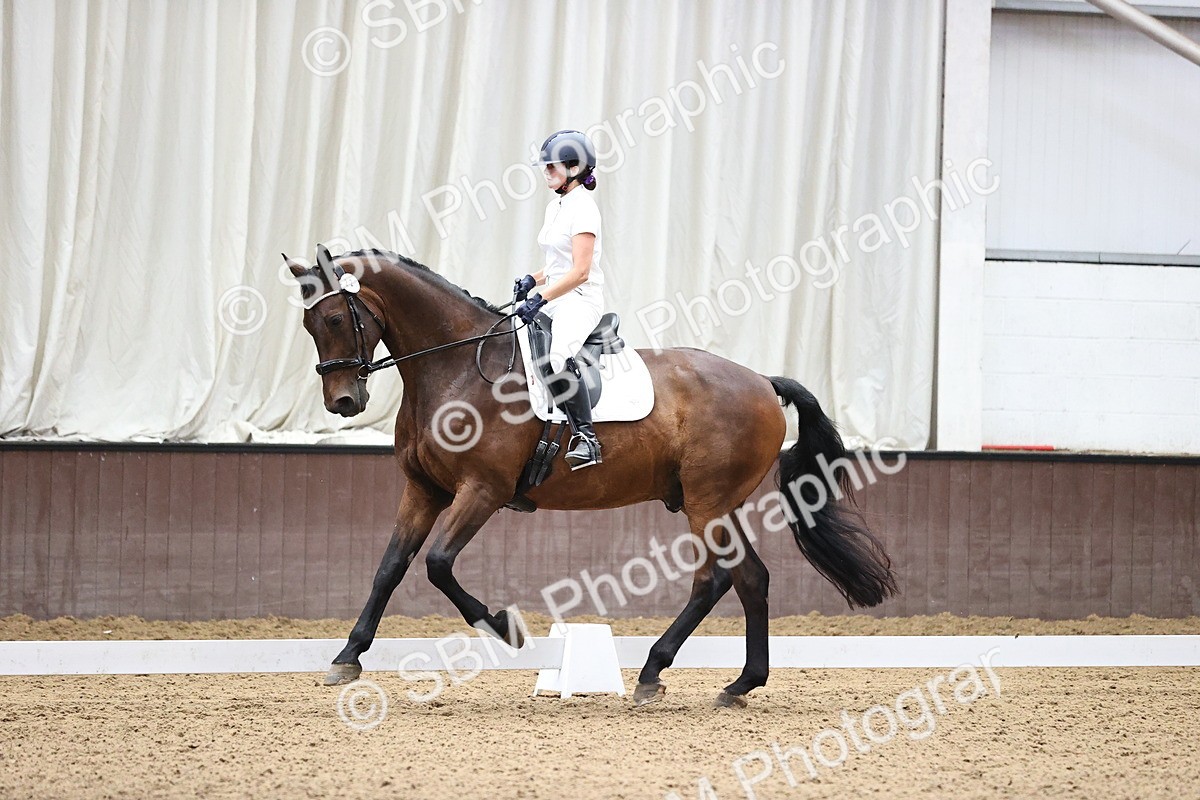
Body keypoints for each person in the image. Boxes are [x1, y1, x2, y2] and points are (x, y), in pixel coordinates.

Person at [513, 129, 605, 470]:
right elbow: (556, 264)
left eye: (552, 166)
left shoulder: (584, 209)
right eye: (546, 166)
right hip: (556, 294)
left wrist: (540, 296)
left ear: (574, 168)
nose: (546, 172)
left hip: (581, 298)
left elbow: (580, 271)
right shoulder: (557, 206)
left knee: (557, 356)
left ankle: (586, 438)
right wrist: (532, 279)